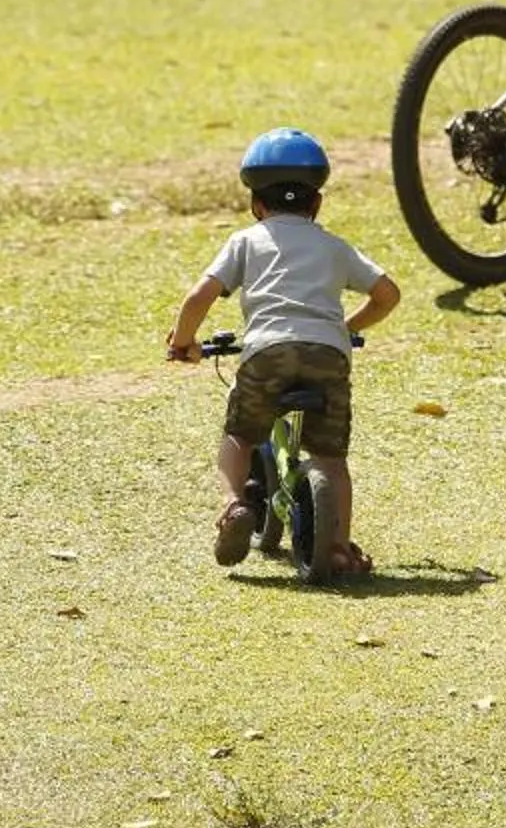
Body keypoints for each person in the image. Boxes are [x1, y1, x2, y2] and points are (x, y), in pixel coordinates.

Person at [165, 129, 400, 579]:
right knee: (331, 457)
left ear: (256, 205)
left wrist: (183, 343)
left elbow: (199, 297)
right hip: (328, 357)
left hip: (266, 354)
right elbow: (387, 294)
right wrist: (345, 328)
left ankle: (234, 503)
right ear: (317, 204)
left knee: (239, 435)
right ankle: (336, 550)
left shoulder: (246, 242)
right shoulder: (333, 246)